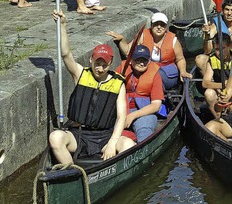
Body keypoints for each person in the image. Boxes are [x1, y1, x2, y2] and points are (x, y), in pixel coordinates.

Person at [48, 10, 133, 164]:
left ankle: (111, 173)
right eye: (97, 63)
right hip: (79, 133)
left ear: (110, 64)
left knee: (128, 145)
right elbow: (66, 54)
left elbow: (121, 116)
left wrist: (112, 144)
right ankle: (72, 172)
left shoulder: (118, 83)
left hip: (105, 137)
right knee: (55, 137)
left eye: (103, 64)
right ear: (91, 60)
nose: (99, 68)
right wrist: (62, 26)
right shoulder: (80, 74)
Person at [107, 12, 191, 90]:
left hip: (167, 74)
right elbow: (128, 52)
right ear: (151, 25)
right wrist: (121, 40)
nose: (159, 27)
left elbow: (180, 59)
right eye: (156, 24)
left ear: (166, 27)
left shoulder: (173, 40)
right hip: (146, 69)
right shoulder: (143, 35)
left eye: (162, 25)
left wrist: (183, 71)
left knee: (155, 76)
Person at [117, 45, 165, 143]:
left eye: (145, 60)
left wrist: (133, 115)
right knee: (113, 129)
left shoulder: (155, 74)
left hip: (144, 112)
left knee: (144, 129)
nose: (142, 63)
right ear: (131, 60)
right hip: (122, 109)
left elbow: (156, 105)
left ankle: (140, 149)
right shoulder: (122, 69)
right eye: (138, 60)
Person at [195, 0, 232, 75]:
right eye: (227, 10)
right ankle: (213, 83)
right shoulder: (215, 25)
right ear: (222, 11)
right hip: (220, 57)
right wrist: (207, 35)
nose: (229, 13)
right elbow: (207, 51)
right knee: (200, 59)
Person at [199, 33, 232, 118]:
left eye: (223, 48)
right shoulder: (212, 60)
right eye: (217, 49)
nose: (220, 52)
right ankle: (218, 118)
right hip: (221, 92)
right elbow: (205, 83)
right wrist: (222, 85)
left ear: (230, 46)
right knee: (209, 93)